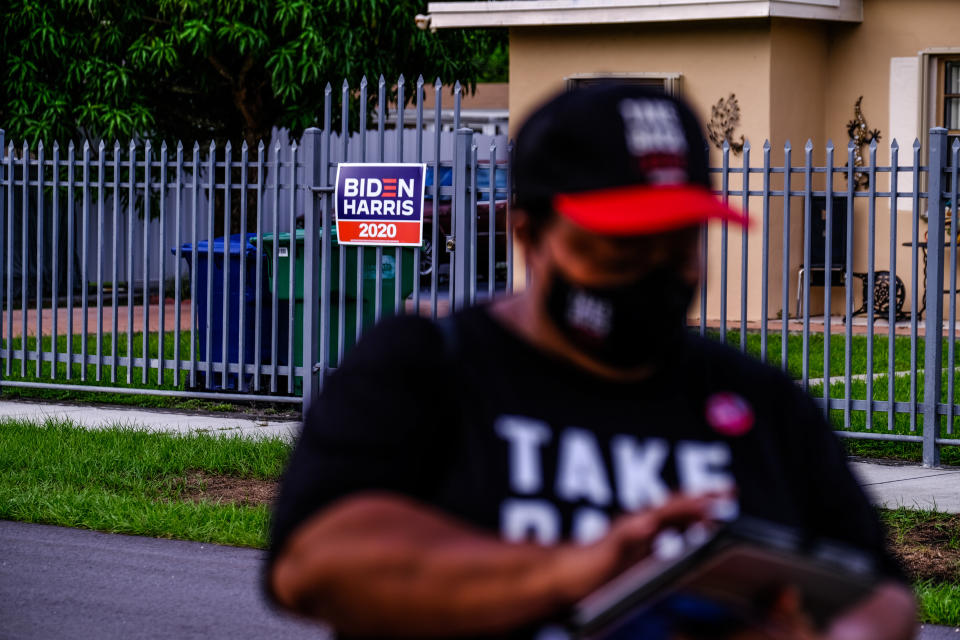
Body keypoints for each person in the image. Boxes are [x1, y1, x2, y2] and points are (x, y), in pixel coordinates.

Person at [265, 84, 917, 640]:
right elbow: (314, 563)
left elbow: (883, 594)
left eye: (678, 243)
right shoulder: (428, 366)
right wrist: (576, 567)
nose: (653, 271)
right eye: (618, 247)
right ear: (528, 235)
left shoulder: (761, 401)